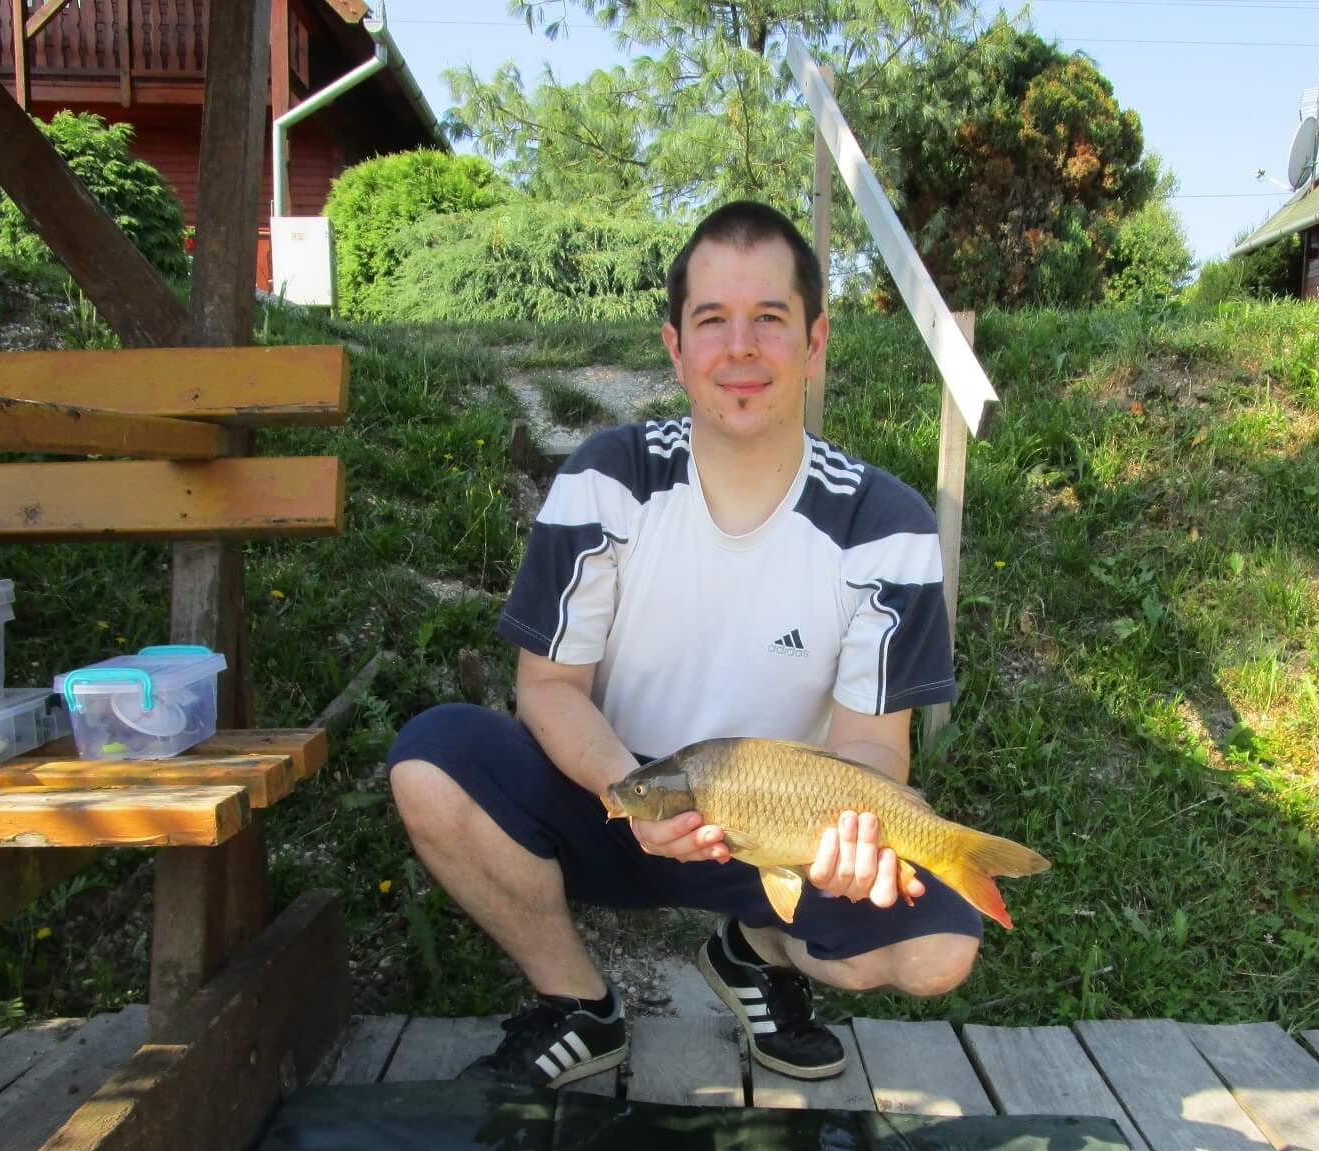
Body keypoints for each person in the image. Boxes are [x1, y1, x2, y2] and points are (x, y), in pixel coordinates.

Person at [386, 199, 982, 1089]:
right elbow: (547, 687)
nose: (740, 349)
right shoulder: (608, 476)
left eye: (770, 320)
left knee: (938, 951)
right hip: (615, 787)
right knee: (430, 762)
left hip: (782, 821)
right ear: (674, 346)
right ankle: (578, 1006)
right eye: (713, 321)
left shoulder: (884, 524)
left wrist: (857, 839)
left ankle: (755, 954)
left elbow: (870, 748)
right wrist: (637, 795)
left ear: (816, 341)